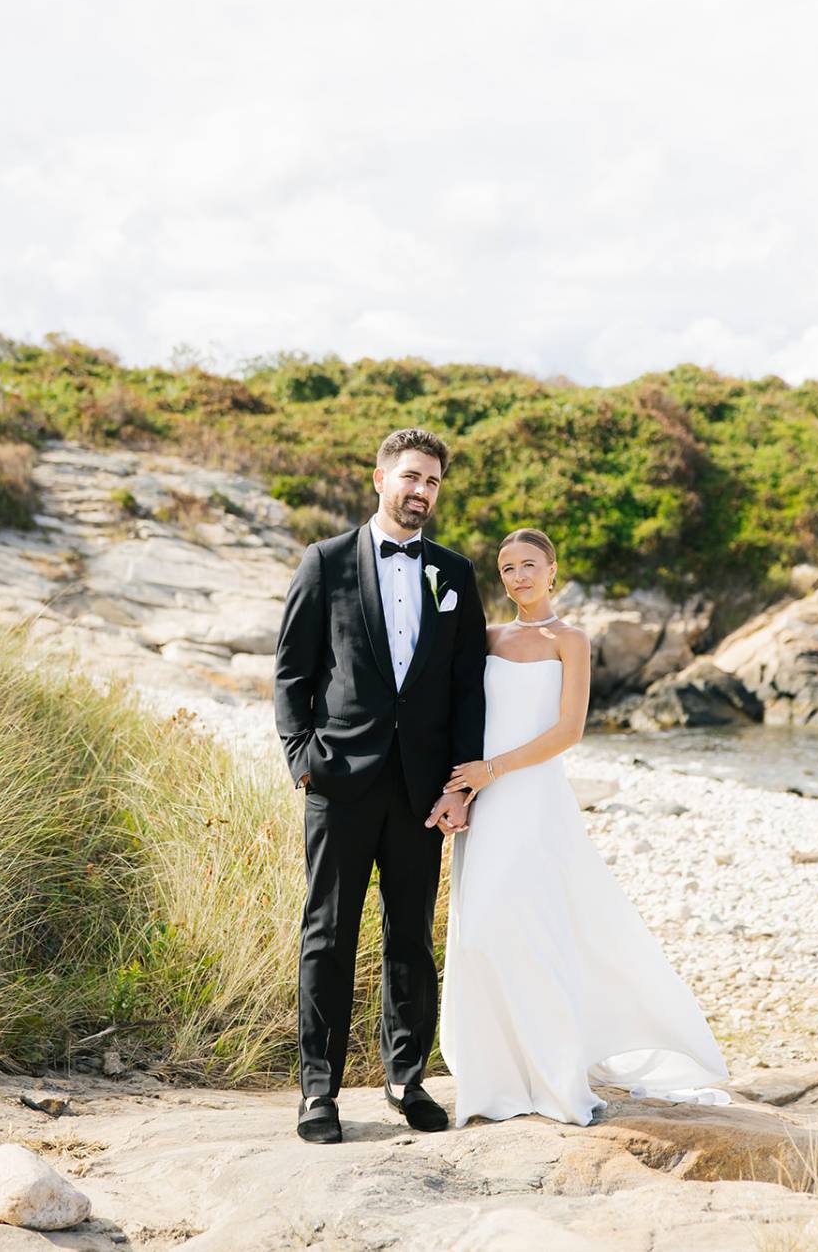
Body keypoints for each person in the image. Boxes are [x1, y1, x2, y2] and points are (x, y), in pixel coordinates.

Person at [440, 527, 729, 1128]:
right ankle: (498, 1079)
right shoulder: (486, 637)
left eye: (528, 565)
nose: (517, 577)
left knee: (537, 930)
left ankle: (554, 1079)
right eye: (506, 568)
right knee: (481, 933)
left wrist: (492, 770)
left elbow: (569, 731)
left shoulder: (571, 640)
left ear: (552, 571)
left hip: (532, 797)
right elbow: (461, 715)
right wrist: (460, 788)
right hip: (485, 801)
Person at [274, 428, 486, 1144]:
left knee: (411, 939)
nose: (421, 490)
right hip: (338, 782)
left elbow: (466, 691)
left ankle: (405, 1078)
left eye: (431, 481)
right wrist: (301, 756)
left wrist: (460, 787)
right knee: (327, 936)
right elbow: (292, 674)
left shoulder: (455, 573)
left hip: (422, 792)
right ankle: (318, 1092)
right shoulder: (325, 562)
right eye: (410, 476)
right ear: (379, 478)